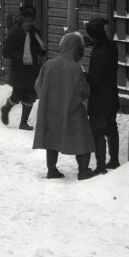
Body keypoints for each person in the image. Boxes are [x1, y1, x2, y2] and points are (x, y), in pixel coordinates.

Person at [33, 31, 96, 181]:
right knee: (83, 137)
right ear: (77, 48)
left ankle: (52, 170)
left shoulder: (48, 64)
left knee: (51, 139)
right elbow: (84, 91)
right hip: (71, 109)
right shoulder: (76, 68)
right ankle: (83, 170)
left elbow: (38, 86)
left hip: (50, 109)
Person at [1, 5, 47, 131]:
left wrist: (42, 50)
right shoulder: (14, 33)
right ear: (22, 19)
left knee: (30, 96)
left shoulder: (35, 33)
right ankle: (6, 109)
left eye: (31, 21)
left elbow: (38, 51)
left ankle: (23, 122)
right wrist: (22, 56)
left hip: (32, 70)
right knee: (17, 95)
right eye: (27, 21)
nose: (29, 23)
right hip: (19, 70)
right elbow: (6, 52)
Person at [85, 17, 120, 174]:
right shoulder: (111, 46)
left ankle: (100, 166)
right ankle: (114, 160)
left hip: (100, 98)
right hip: (112, 95)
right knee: (111, 128)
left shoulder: (98, 53)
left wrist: (83, 75)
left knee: (98, 131)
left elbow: (95, 79)